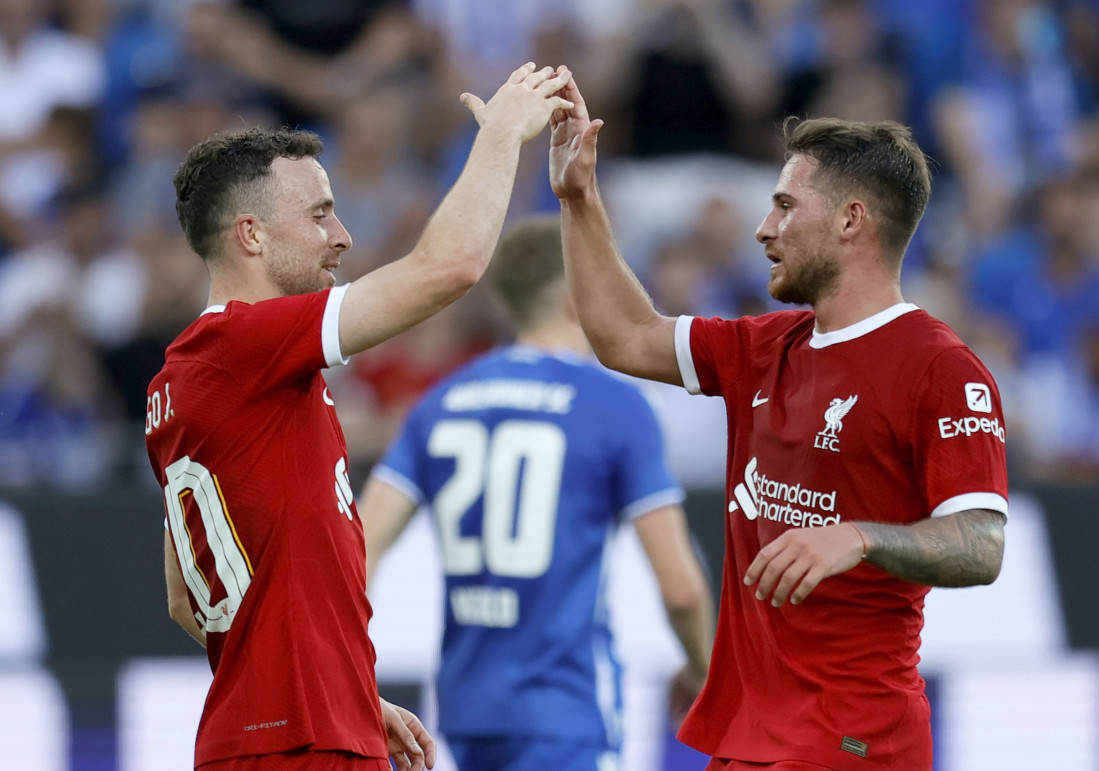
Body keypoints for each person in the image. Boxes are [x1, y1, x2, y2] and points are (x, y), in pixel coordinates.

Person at [549, 76, 1008, 770]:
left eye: (786, 206)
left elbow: (983, 541)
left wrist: (857, 537)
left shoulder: (941, 368)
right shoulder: (767, 346)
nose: (763, 228)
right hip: (752, 735)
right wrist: (579, 197)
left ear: (852, 220)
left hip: (852, 739)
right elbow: (624, 335)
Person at [143, 62, 574, 771]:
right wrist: (500, 136)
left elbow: (184, 600)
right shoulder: (245, 344)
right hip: (306, 742)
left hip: (257, 734)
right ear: (250, 235)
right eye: (319, 214)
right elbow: (451, 267)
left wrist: (348, 689)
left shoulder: (182, 379)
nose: (342, 235)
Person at [358, 216, 715, 771]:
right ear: (579, 297)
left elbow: (358, 545)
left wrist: (351, 673)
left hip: (466, 710)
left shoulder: (442, 403)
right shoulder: (616, 407)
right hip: (566, 709)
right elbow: (681, 591)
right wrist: (704, 666)